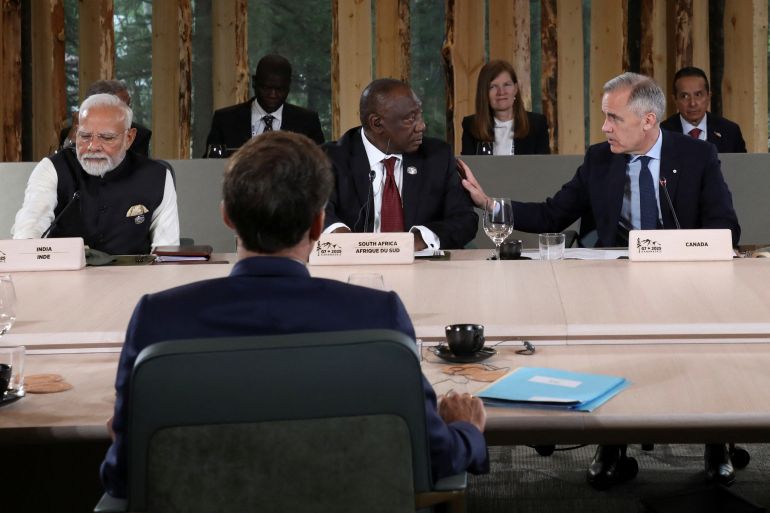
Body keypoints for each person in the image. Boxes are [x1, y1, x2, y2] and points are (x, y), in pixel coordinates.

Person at [99, 131, 489, 499]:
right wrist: (466, 430)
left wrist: (124, 439)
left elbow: (121, 475)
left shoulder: (157, 317)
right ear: (319, 224)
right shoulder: (378, 315)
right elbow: (435, 457)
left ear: (226, 217)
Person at [459, 72, 740, 488]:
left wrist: (673, 256)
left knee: (705, 351)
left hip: (684, 282)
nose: (605, 127)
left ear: (648, 121)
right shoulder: (600, 158)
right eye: (604, 117)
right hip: (614, 284)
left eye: (614, 118)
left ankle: (717, 443)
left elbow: (725, 230)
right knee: (608, 350)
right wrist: (490, 203)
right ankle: (612, 444)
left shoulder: (698, 156)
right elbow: (554, 214)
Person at [12, 93, 179, 255]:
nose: (93, 146)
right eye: (85, 136)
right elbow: (29, 228)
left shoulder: (157, 176)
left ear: (129, 138)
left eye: (106, 137)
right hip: (65, 278)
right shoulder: (53, 168)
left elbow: (166, 252)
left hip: (134, 278)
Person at [324, 78, 478, 250]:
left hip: (422, 269)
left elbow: (464, 219)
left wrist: (418, 240)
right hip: (352, 270)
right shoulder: (330, 158)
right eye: (410, 119)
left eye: (420, 115)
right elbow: (315, 212)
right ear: (377, 123)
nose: (421, 126)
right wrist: (345, 241)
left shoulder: (437, 156)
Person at [204, 54, 324, 155]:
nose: (273, 94)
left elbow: (321, 168)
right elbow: (209, 166)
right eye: (266, 88)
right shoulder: (226, 120)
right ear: (254, 83)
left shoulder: (307, 122)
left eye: (279, 89)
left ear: (288, 87)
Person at [461, 60, 550, 156]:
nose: (501, 92)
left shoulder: (537, 125)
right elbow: (467, 168)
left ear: (515, 89)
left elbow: (543, 168)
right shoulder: (471, 126)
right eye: (493, 87)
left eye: (506, 85)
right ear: (484, 93)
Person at [660, 66, 747, 153]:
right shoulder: (660, 135)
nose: (692, 103)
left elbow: (743, 166)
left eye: (698, 95)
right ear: (675, 99)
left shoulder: (730, 131)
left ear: (708, 96)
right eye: (684, 96)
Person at [59, 80, 152, 156]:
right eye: (122, 106)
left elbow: (134, 173)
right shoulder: (67, 133)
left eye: (129, 105)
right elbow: (61, 167)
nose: (128, 111)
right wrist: (73, 138)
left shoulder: (139, 134)